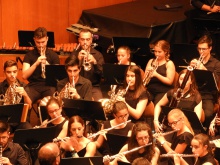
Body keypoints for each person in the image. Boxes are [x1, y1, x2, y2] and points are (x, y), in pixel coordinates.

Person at [22, 27, 60, 103]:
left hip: (49, 86)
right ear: (34, 40)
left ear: (47, 39)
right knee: (25, 99)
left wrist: (47, 64)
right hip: (33, 86)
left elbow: (57, 78)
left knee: (52, 102)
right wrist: (36, 63)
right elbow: (24, 76)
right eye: (38, 42)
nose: (41, 45)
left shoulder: (54, 56)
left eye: (43, 42)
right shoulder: (29, 55)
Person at [190, 35, 220, 129]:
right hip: (194, 91)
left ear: (210, 48)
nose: (201, 52)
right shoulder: (195, 61)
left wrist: (203, 68)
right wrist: (190, 69)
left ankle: (204, 132)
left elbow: (216, 81)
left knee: (207, 114)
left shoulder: (216, 64)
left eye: (204, 49)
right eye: (199, 49)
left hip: (208, 94)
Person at [70, 29, 105, 101]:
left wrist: (95, 62)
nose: (85, 42)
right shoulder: (74, 54)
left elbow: (103, 75)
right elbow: (69, 72)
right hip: (78, 86)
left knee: (99, 105)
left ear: (91, 40)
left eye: (87, 39)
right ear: (79, 40)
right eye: (82, 39)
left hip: (93, 86)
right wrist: (78, 60)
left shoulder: (98, 55)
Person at [0, 60, 32, 132]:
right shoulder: (1, 87)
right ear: (4, 72)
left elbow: (29, 106)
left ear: (17, 71)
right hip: (5, 121)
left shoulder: (24, 86)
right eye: (9, 72)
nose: (12, 75)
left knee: (28, 128)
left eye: (14, 72)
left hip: (21, 121)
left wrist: (25, 95)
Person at [144, 40, 176, 105]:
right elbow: (144, 79)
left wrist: (156, 74)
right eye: (155, 51)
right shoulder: (151, 61)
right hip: (150, 90)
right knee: (141, 101)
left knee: (157, 104)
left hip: (163, 91)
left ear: (165, 51)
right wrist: (147, 73)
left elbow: (169, 81)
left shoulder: (169, 63)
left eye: (159, 52)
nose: (156, 54)